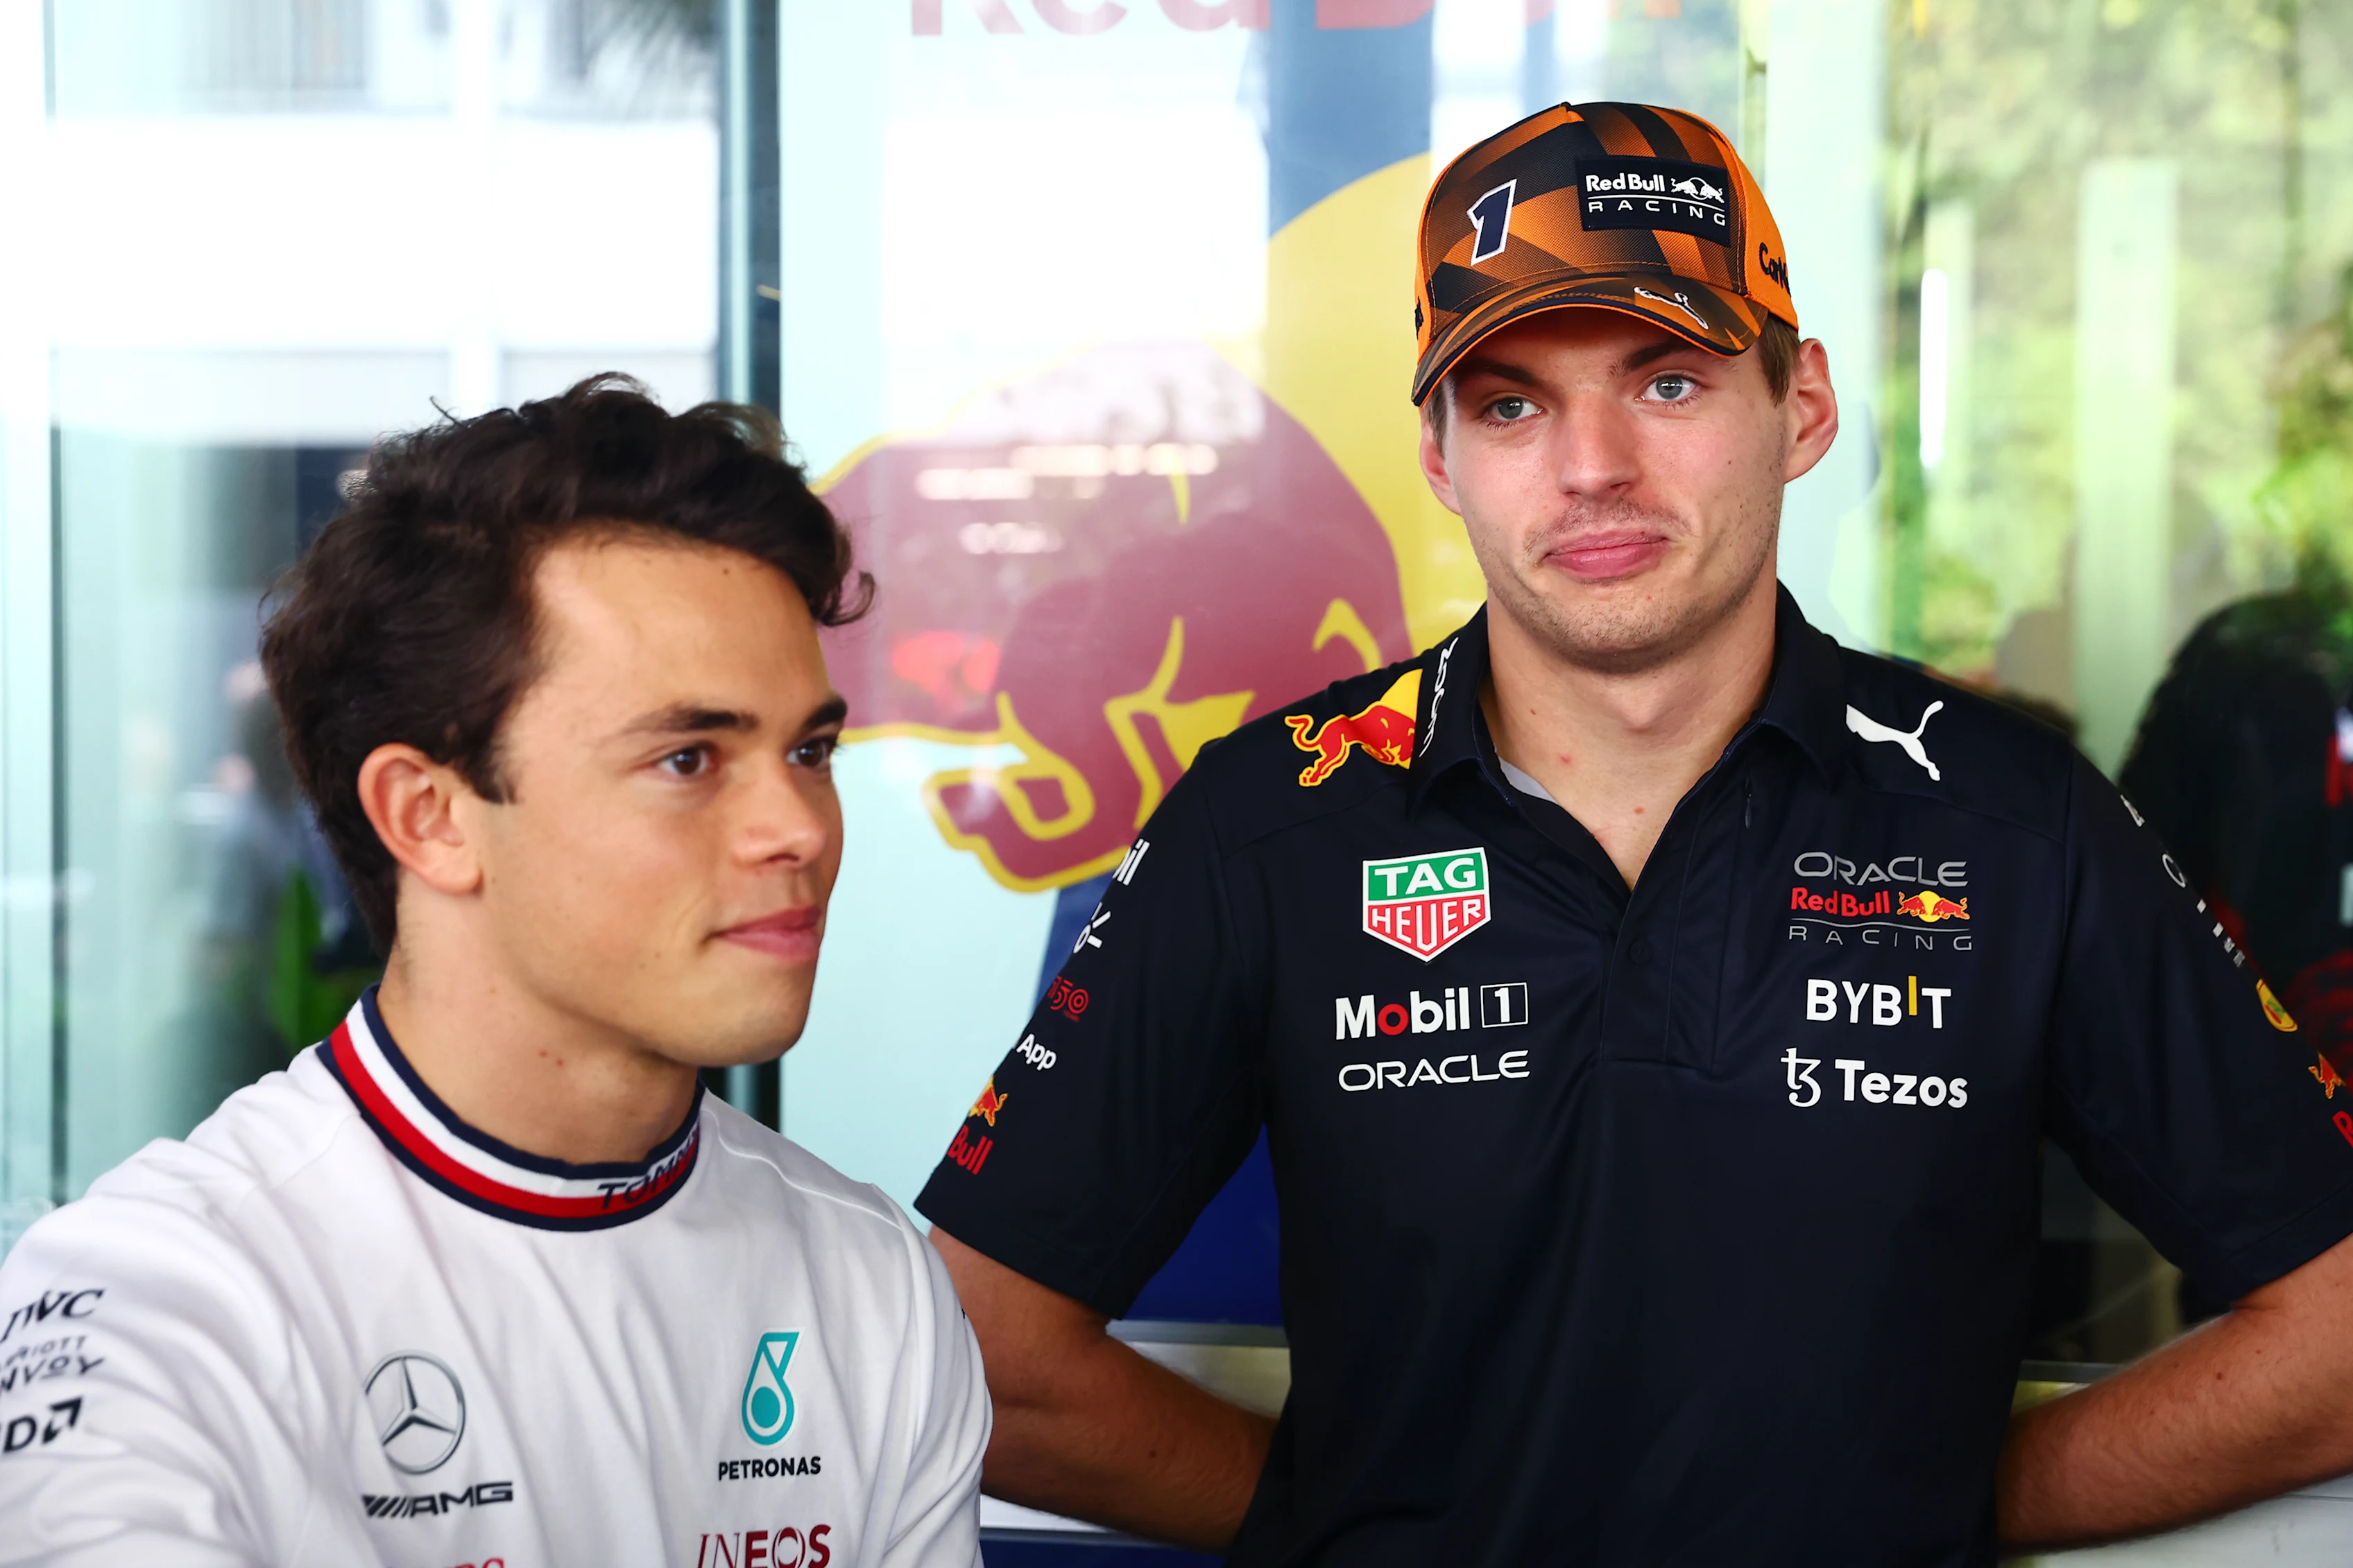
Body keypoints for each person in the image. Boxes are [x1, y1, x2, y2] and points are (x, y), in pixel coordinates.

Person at [914, 101, 2353, 1565]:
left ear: (1800, 407)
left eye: (1665, 381)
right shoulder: (1270, 820)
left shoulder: (2012, 820)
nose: (1589, 464)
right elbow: (977, 1340)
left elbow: (2339, 1323)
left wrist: (1962, 1501)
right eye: (1512, 403)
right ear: (1438, 454)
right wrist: (1327, 1517)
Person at [0, 378, 989, 1566]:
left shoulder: (870, 1281)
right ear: (430, 817)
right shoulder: (162, 1300)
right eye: (689, 757)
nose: (800, 828)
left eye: (810, 749)